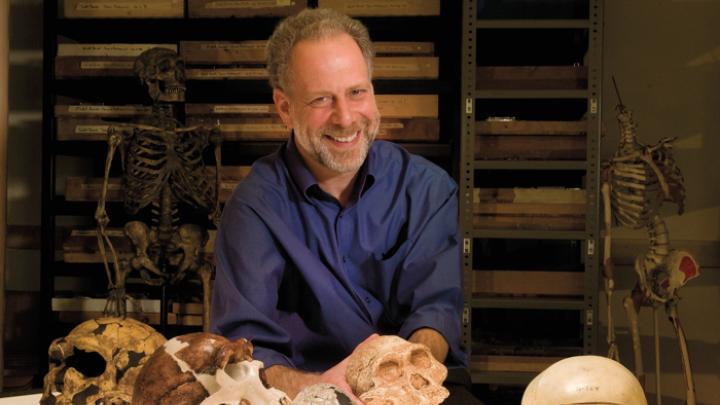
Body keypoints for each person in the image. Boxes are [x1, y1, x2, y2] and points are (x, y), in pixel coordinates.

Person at [210, 7, 481, 404]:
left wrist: (403, 373)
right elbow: (244, 353)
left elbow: (436, 310)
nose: (346, 118)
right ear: (284, 108)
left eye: (357, 92)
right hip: (300, 395)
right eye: (322, 99)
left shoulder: (426, 188)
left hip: (412, 387)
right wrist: (320, 389)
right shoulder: (253, 208)